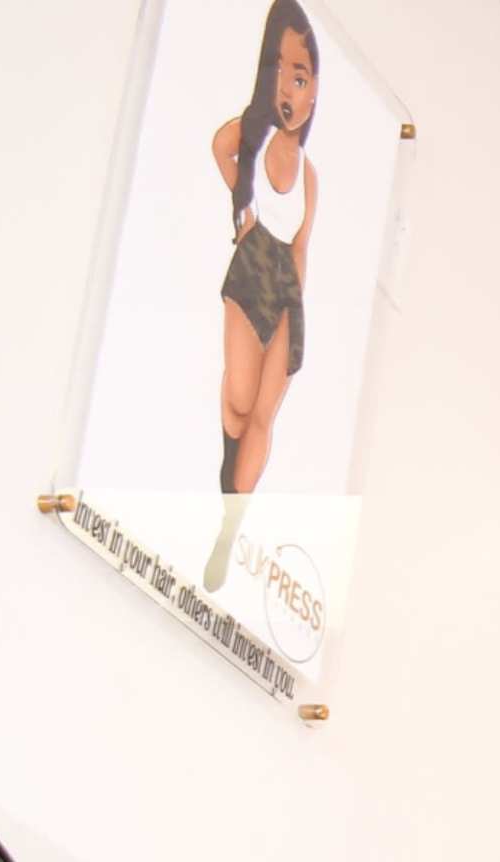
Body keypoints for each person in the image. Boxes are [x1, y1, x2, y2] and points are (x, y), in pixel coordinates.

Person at [204, 1, 320, 593]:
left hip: (286, 286)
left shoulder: (311, 174)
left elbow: (301, 248)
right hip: (251, 264)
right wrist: (243, 203)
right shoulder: (252, 132)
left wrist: (299, 316)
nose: (289, 89)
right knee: (241, 401)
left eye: (300, 77)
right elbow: (220, 148)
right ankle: (228, 472)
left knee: (265, 414)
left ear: (313, 87)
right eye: (280, 74)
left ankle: (231, 530)